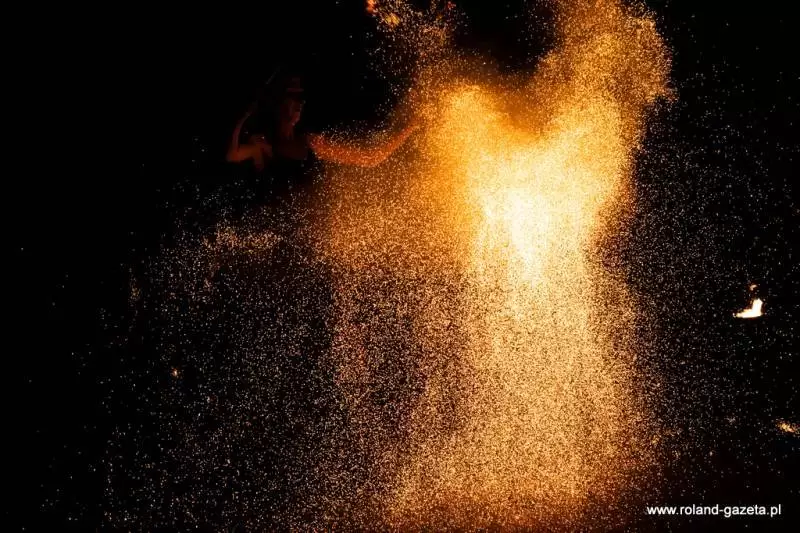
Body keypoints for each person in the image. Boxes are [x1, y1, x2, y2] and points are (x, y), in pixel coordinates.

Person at [226, 76, 419, 200]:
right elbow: (232, 155)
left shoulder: (310, 143)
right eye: (293, 97)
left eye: (301, 99)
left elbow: (371, 158)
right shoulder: (263, 144)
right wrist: (242, 118)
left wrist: (409, 128)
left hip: (307, 233)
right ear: (278, 103)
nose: (299, 104)